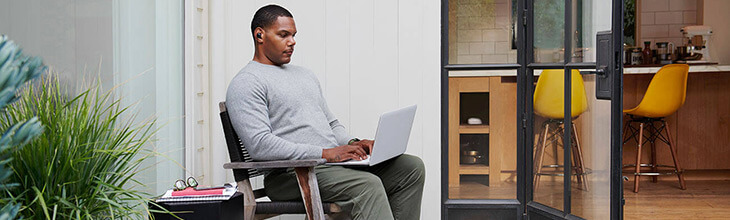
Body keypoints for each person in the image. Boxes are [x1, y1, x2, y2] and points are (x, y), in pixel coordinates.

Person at [225, 4, 425, 220]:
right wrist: (324, 153)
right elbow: (260, 145)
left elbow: (331, 124)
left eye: (293, 35)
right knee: (368, 185)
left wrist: (353, 144)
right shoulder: (247, 82)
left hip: (330, 167)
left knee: (411, 167)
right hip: (291, 174)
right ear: (259, 35)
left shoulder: (304, 75)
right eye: (283, 35)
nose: (292, 42)